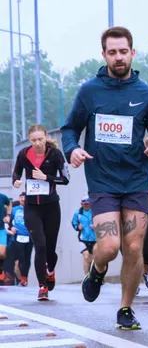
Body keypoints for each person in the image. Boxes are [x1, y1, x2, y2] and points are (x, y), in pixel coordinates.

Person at [60, 26, 148, 330]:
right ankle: (97, 270)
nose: (119, 57)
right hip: (103, 182)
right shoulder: (89, 91)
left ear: (132, 53)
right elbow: (70, 128)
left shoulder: (146, 95)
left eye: (124, 51)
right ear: (104, 54)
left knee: (134, 247)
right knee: (109, 247)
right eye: (113, 52)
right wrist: (72, 149)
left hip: (137, 180)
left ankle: (125, 308)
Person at [12, 125, 69, 299]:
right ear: (30, 140)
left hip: (51, 206)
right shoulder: (23, 154)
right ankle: (42, 286)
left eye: (40, 139)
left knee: (50, 249)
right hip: (31, 207)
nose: (37, 143)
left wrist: (46, 177)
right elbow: (16, 173)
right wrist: (15, 182)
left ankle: (50, 270)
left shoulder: (55, 154)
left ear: (46, 137)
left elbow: (65, 179)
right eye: (34, 140)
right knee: (40, 245)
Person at [10, 193, 33, 287]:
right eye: (21, 198)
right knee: (21, 257)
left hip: (30, 237)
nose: (23, 199)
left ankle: (25, 277)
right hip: (18, 237)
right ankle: (22, 278)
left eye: (24, 198)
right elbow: (9, 220)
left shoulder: (31, 209)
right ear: (19, 199)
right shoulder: (14, 210)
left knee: (27, 258)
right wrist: (11, 228)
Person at [72, 196, 96, 275]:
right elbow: (74, 223)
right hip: (83, 239)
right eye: (84, 204)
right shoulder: (78, 213)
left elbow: (102, 223)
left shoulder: (95, 212)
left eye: (87, 204)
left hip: (95, 239)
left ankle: (95, 276)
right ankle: (87, 277)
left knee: (94, 258)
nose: (86, 206)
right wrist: (78, 227)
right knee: (86, 256)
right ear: (81, 204)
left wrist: (97, 226)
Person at [0, 192, 12, 285]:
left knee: (2, 253)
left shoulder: (2, 196)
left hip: (1, 229)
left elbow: (9, 203)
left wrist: (8, 215)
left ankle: (1, 268)